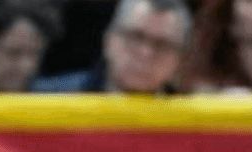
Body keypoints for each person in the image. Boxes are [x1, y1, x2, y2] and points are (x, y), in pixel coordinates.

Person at [34, 0, 190, 93]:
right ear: (109, 40)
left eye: (162, 45)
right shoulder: (46, 99)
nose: (146, 53)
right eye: (135, 37)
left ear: (179, 59)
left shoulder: (196, 126)